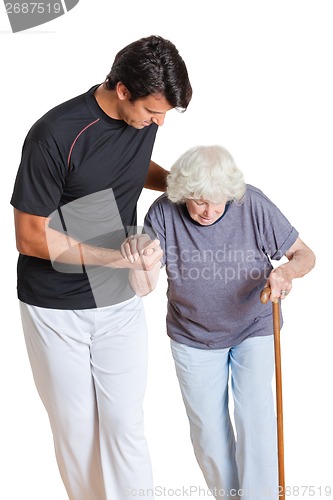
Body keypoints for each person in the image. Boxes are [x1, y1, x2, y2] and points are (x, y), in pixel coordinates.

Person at [10, 35, 192, 500]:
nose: (159, 121)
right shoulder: (55, 133)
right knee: (77, 431)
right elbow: (29, 236)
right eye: (154, 111)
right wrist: (115, 256)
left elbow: (127, 164)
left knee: (125, 423)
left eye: (165, 114)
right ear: (123, 90)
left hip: (118, 300)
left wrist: (178, 184)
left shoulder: (144, 119)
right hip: (56, 307)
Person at [123, 145, 316, 500]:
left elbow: (305, 255)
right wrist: (139, 259)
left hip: (254, 325)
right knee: (208, 434)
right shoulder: (164, 213)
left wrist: (286, 272)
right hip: (192, 334)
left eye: (217, 201)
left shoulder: (251, 203)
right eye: (198, 201)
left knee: (256, 420)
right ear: (182, 193)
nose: (209, 210)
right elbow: (143, 287)